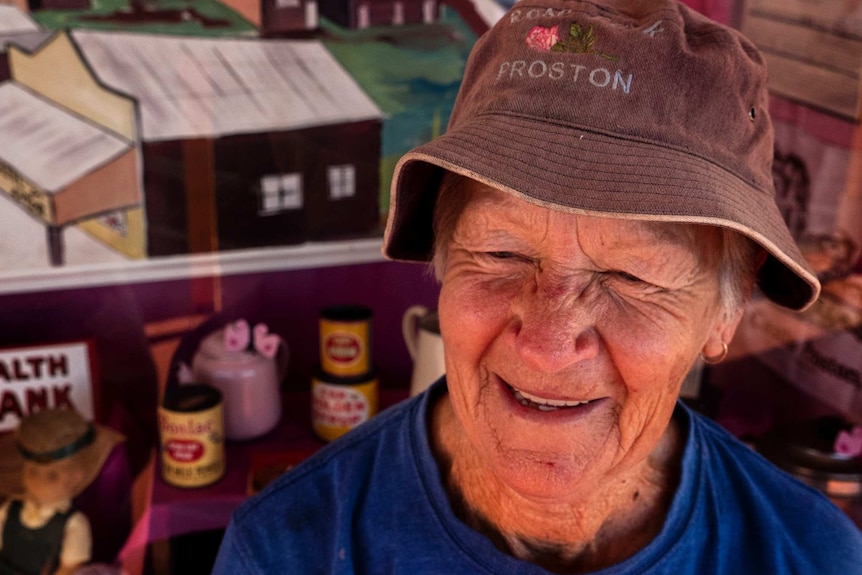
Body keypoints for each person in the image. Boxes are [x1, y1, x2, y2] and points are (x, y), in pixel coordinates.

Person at [214, 0, 862, 572]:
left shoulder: (813, 556)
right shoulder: (287, 548)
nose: (549, 345)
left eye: (631, 275)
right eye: (501, 252)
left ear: (723, 314)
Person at [0, 409, 124, 575]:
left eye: (52, 476)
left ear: (77, 477)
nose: (39, 483)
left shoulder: (73, 524)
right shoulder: (10, 510)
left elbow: (69, 568)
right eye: (32, 472)